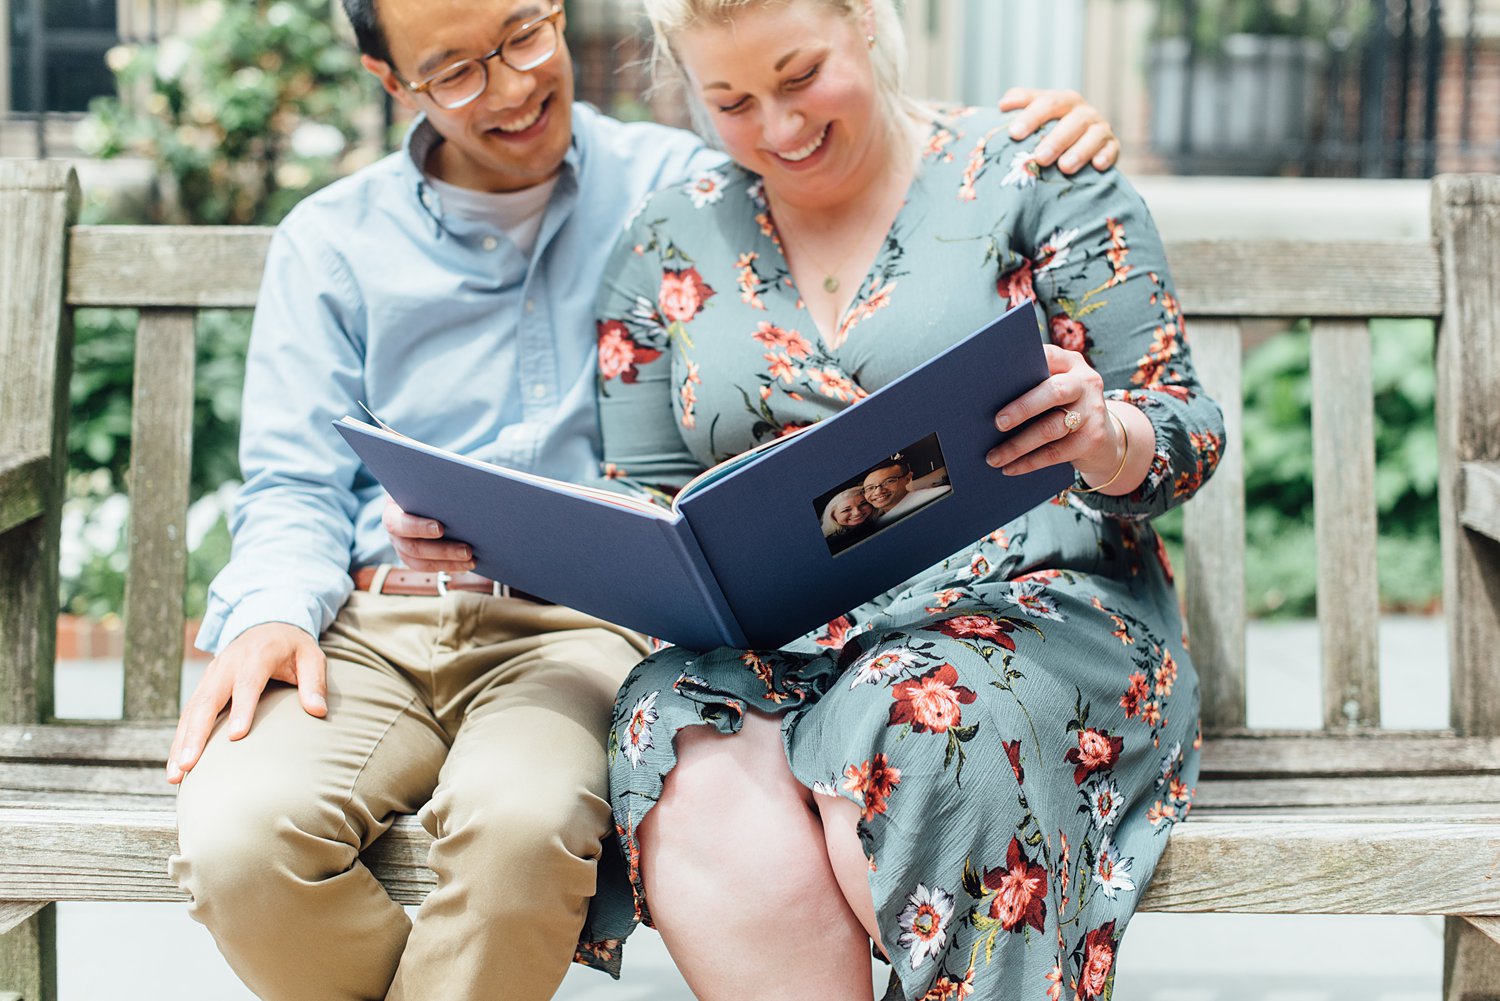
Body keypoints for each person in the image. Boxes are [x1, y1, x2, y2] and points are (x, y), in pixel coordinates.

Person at [163, 0, 1126, 999]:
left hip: (577, 630)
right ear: (390, 83)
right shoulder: (328, 241)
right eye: (455, 71)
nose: (511, 86)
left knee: (519, 833)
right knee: (240, 845)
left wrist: (1030, 128)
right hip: (374, 619)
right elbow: (290, 480)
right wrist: (275, 609)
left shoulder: (680, 188)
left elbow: (848, 136)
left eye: (523, 35)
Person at [580, 1, 1227, 999]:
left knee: (920, 710)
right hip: (787, 638)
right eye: (733, 100)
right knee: (676, 731)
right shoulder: (671, 238)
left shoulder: (1033, 170)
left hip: (1035, 611)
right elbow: (642, 493)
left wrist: (1104, 436)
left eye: (801, 77)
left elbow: (1185, 424)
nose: (780, 127)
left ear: (867, 22)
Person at [861, 456, 950, 523]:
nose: (878, 492)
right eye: (870, 488)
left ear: (907, 478)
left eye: (888, 481)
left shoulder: (937, 495)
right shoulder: (879, 521)